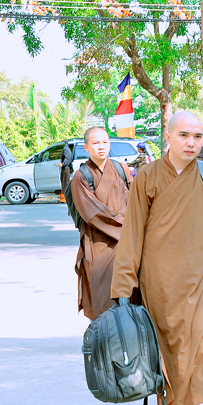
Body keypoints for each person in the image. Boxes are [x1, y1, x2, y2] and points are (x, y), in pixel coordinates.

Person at [111, 111, 203, 405]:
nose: (191, 143)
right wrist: (123, 287)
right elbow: (132, 235)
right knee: (166, 342)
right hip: (158, 279)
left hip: (200, 277)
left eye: (197, 137)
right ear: (168, 137)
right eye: (184, 135)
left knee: (201, 342)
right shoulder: (147, 176)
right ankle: (167, 403)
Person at [70, 127, 132, 320]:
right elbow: (94, 214)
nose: (101, 147)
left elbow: (136, 201)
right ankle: (103, 336)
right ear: (86, 147)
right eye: (95, 143)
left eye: (105, 142)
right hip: (98, 245)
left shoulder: (121, 169)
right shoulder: (82, 177)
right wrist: (128, 228)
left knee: (132, 296)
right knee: (102, 299)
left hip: (127, 244)